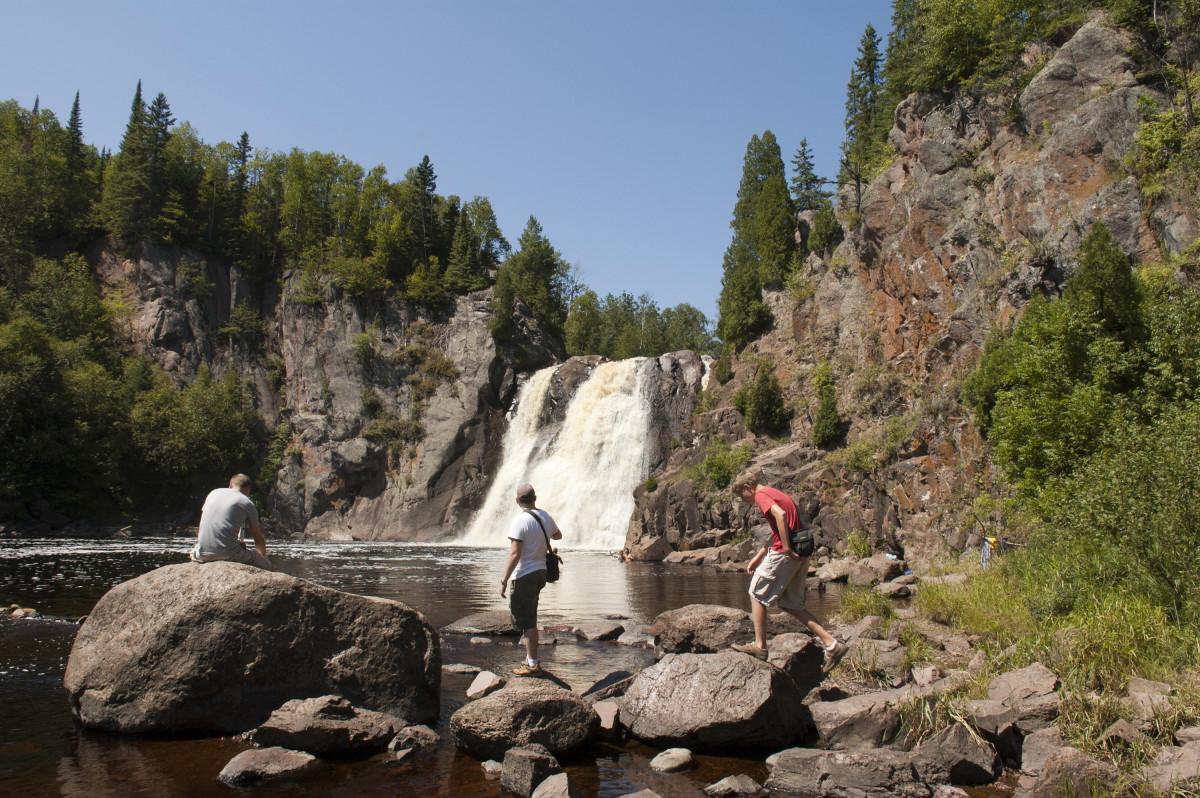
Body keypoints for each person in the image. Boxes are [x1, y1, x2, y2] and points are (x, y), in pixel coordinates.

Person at [730, 470, 847, 672]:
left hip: (786, 553)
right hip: (800, 551)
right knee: (790, 603)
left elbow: (780, 515)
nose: (743, 499)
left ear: (748, 487)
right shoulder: (774, 492)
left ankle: (760, 647)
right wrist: (758, 557)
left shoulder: (761, 495)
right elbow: (777, 527)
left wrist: (785, 547)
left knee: (756, 594)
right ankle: (832, 645)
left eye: (742, 495)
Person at [499, 482, 562, 676]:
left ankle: (533, 664)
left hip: (524, 574)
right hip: (541, 572)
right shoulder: (545, 516)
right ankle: (529, 658)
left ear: (517, 501)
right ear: (535, 498)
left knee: (527, 621)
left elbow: (515, 554)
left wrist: (504, 580)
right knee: (530, 614)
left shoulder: (520, 521)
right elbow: (558, 536)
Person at [190, 474, 271, 570]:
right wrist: (262, 560)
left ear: (230, 486)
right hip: (228, 555)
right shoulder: (246, 502)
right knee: (266, 563)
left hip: (200, 554)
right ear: (247, 488)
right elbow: (258, 539)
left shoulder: (213, 493)